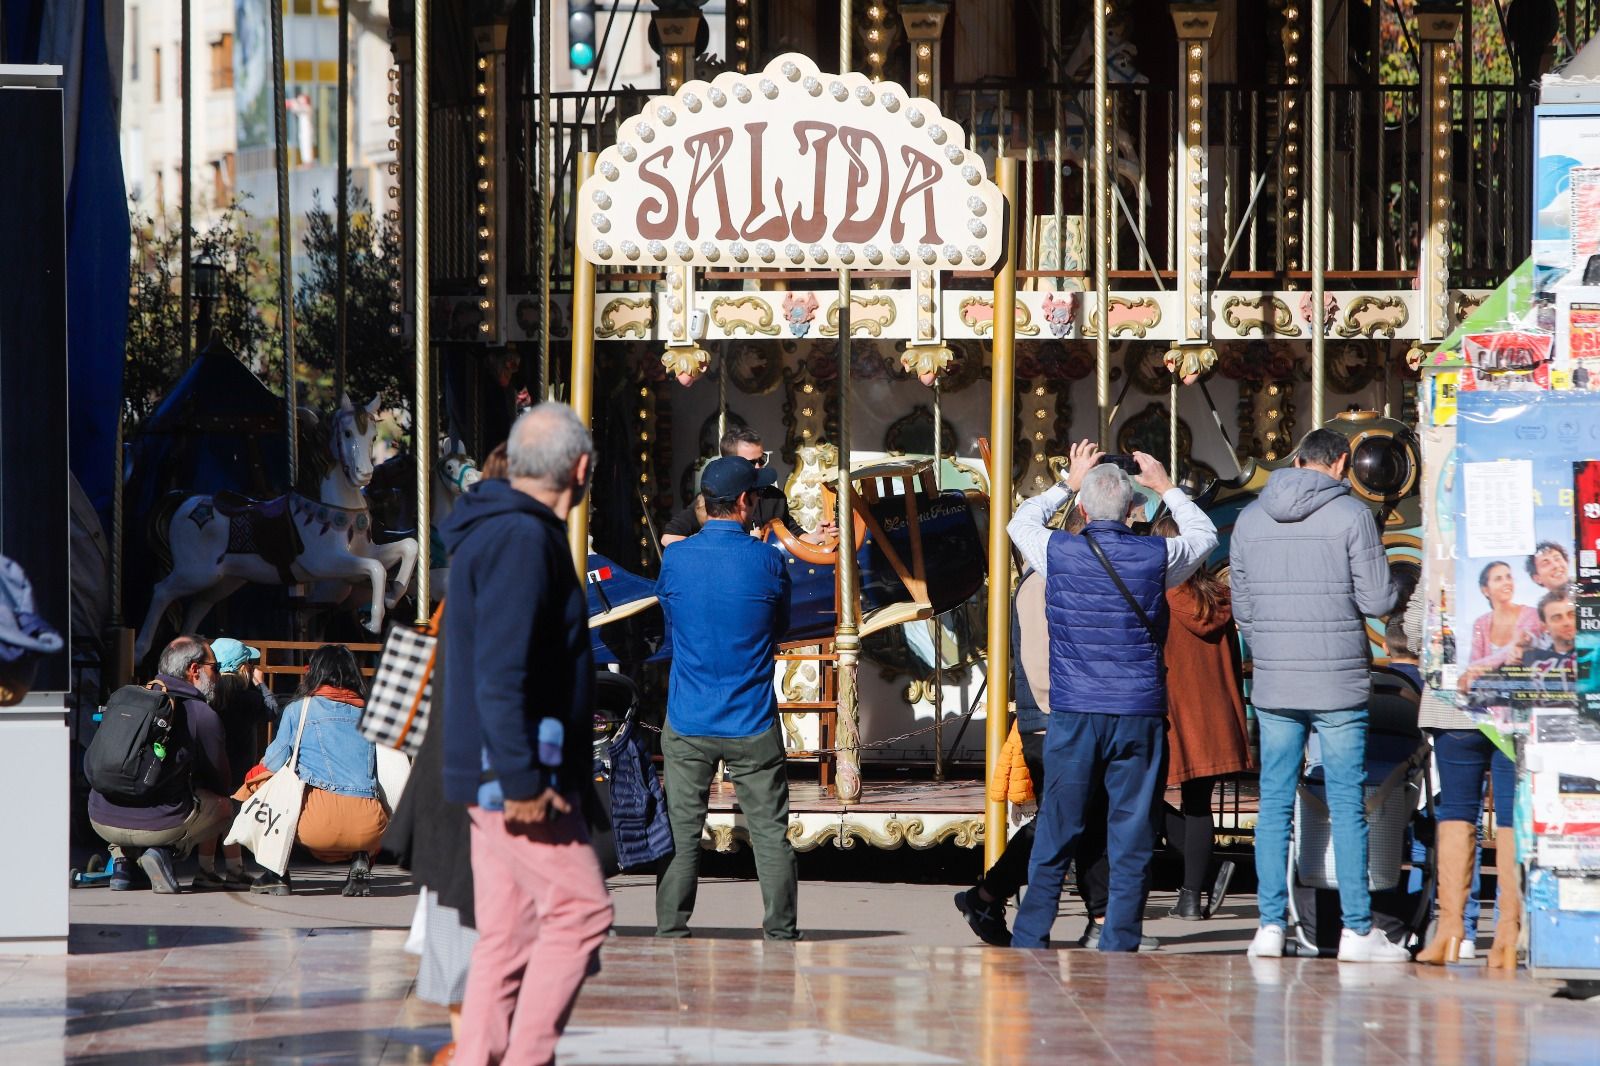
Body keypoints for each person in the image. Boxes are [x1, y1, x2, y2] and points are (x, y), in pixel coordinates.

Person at [437, 403, 613, 1066]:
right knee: (581, 911)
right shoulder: (521, 539)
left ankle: (480, 1055)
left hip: (494, 769)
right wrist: (520, 779)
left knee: (506, 936)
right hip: (513, 774)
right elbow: (502, 673)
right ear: (580, 468)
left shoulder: (498, 529)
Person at [1005, 442, 1217, 952]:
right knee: (1130, 827)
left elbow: (1018, 523)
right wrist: (1167, 487)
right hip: (1137, 711)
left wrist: (1067, 482)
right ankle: (1119, 934)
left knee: (1059, 824)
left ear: (1081, 510)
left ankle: (1032, 932)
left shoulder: (1058, 551)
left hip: (1075, 709)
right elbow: (1205, 535)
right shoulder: (1156, 555)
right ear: (1131, 510)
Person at [1229, 427, 1407, 962]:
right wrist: (1399, 590)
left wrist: (1272, 649)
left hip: (1277, 681)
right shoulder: (1352, 516)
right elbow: (1378, 599)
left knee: (1275, 803)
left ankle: (1268, 926)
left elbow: (1243, 610)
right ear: (1343, 463)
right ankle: (1356, 929)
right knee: (1347, 804)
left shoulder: (1250, 518)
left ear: (1297, 459)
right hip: (1338, 682)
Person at [654, 454, 800, 941]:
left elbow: (672, 627)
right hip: (751, 720)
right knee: (769, 834)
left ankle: (671, 927)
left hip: (689, 716)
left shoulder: (675, 559)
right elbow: (780, 627)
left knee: (681, 829)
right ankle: (780, 931)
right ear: (743, 502)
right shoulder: (768, 560)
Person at [953, 565, 1131, 949]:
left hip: (1056, 717)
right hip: (1055, 718)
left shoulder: (1044, 580)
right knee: (1063, 818)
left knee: (1081, 815)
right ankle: (988, 897)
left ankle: (1097, 915)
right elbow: (1047, 658)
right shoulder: (1046, 583)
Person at [384, 617, 477, 1066]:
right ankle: (471, 1043)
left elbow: (397, 719)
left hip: (446, 781)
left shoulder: (450, 610)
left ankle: (466, 1043)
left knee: (455, 915)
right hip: (484, 781)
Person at [1150, 513, 1251, 921]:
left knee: (1136, 800)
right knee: (1198, 806)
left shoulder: (1157, 597)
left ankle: (1197, 875)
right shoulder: (1219, 598)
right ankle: (1191, 898)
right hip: (1215, 717)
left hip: (1172, 715)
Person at [237, 644, 388, 897]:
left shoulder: (299, 709)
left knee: (264, 784)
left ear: (316, 672)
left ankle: (276, 873)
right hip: (371, 826)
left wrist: (248, 783)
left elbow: (273, 762)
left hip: (317, 824)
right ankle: (360, 858)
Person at [88, 635, 233, 894]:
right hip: (160, 825)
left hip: (100, 818)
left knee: (129, 791)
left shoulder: (127, 700)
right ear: (194, 670)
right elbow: (220, 782)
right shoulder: (201, 714)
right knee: (225, 807)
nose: (218, 675)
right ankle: (164, 851)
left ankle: (123, 862)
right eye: (216, 667)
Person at [193, 637, 279, 890]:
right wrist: (261, 685)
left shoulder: (206, 696)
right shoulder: (248, 697)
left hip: (208, 765)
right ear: (243, 668)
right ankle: (234, 870)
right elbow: (272, 711)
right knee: (231, 818)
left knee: (211, 818)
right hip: (238, 769)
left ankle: (204, 869)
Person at [659, 426, 834, 546]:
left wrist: (815, 536)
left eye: (762, 459)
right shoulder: (712, 500)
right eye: (751, 462)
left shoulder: (773, 497)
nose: (759, 467)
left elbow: (792, 536)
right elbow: (669, 538)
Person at [1464, 560, 1543, 673]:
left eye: (1509, 577)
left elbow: (1475, 668)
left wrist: (1480, 667)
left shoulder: (1533, 615)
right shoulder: (1481, 623)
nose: (1507, 582)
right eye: (1498, 579)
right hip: (1488, 689)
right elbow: (1473, 668)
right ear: (1485, 590)